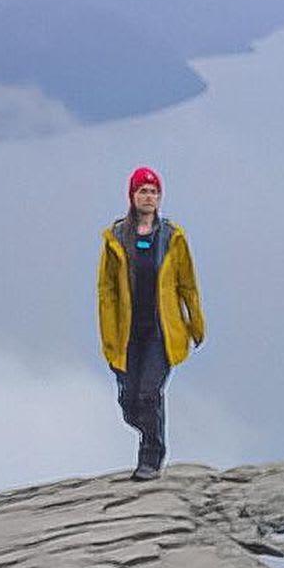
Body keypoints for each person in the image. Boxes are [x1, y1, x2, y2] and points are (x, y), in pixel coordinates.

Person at [97, 166, 205, 479]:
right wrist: (108, 335)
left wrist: (195, 324)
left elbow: (187, 284)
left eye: (153, 191)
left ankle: (151, 457)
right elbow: (107, 292)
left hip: (162, 331)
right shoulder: (116, 238)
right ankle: (149, 435)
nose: (148, 196)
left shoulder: (172, 237)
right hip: (128, 333)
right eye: (143, 191)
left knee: (149, 393)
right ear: (132, 196)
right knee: (129, 402)